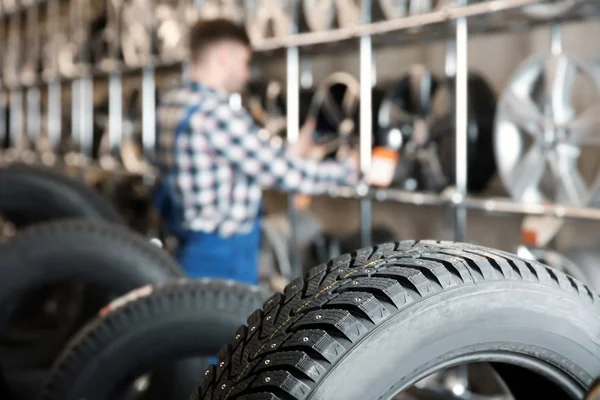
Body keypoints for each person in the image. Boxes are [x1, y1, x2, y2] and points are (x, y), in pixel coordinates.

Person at [154, 18, 360, 286]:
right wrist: (350, 170)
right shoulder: (215, 113)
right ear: (224, 56)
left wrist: (294, 150)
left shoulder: (172, 104)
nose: (246, 74)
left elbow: (230, 159)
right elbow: (284, 175)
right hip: (222, 257)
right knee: (229, 328)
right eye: (244, 62)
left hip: (187, 245)